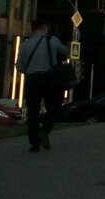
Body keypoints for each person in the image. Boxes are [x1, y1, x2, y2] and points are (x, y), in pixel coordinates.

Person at [16, 19, 68, 152]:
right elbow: (65, 51)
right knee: (54, 107)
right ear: (44, 27)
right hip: (49, 80)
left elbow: (20, 66)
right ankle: (45, 130)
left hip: (32, 80)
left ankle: (34, 144)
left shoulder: (24, 45)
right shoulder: (52, 41)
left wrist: (30, 71)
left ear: (32, 29)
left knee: (33, 112)